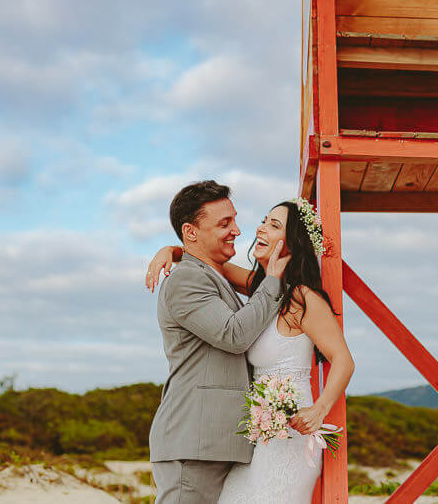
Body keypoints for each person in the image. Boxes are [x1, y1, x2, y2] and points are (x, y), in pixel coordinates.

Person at [146, 197, 355, 503]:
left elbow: (343, 359)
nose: (259, 228)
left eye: (274, 225)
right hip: (255, 438)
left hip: (289, 433)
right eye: (264, 220)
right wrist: (171, 251)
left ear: (292, 241)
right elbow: (206, 260)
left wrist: (320, 408)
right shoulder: (263, 287)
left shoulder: (302, 297)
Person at [148, 181, 291, 504]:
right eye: (224, 223)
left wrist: (176, 249)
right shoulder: (186, 278)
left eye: (235, 220)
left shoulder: (212, 274)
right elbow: (234, 335)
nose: (237, 230)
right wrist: (273, 281)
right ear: (191, 231)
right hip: (194, 442)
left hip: (216, 441)